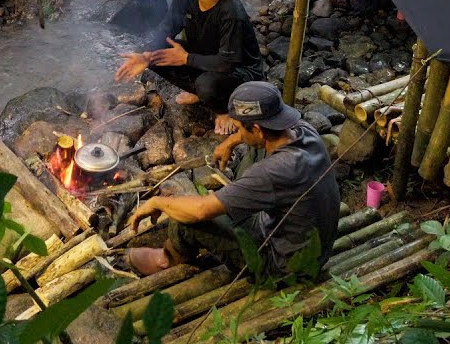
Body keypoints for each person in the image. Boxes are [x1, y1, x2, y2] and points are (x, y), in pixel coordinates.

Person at [125, 81, 340, 278]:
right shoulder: (304, 131)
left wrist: (157, 202)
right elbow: (260, 139)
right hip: (310, 245)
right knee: (255, 152)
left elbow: (201, 210)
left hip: (287, 265)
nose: (236, 132)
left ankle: (170, 260)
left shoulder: (273, 172)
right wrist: (230, 142)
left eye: (238, 128)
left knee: (185, 221)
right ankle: (236, 198)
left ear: (256, 129)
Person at [115, 0, 264, 135]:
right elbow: (168, 28)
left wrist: (186, 59)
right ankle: (200, 95)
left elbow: (226, 63)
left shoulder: (231, 13)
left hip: (240, 72)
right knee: (155, 56)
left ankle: (224, 110)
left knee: (206, 85)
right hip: (205, 55)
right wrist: (144, 54)